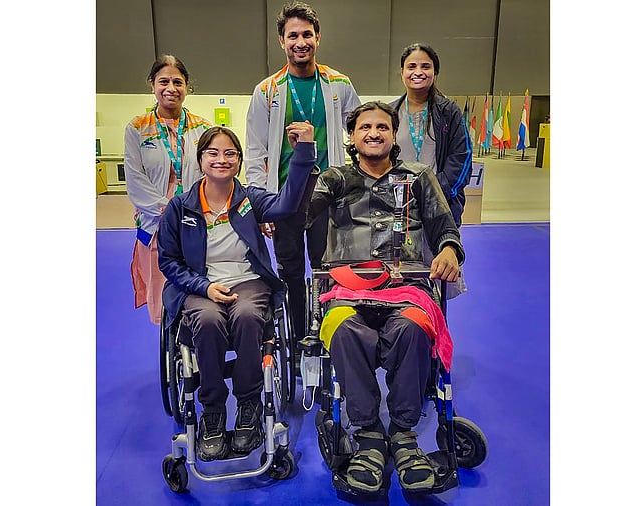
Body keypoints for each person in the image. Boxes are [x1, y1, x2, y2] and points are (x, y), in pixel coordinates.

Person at [306, 101, 464, 493]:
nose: (373, 133)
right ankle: (370, 435)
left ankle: (405, 435)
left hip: (405, 287)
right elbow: (301, 211)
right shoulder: (334, 179)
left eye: (381, 127)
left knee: (412, 330)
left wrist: (448, 250)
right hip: (346, 288)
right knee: (343, 330)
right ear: (353, 136)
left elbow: (445, 226)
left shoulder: (419, 177)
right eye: (364, 127)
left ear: (394, 135)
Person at [156, 124, 318, 462]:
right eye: (213, 152)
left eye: (230, 153)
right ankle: (212, 411)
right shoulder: (179, 208)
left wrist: (303, 150)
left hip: (248, 281)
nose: (221, 159)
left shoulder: (250, 199)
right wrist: (203, 287)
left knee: (247, 316)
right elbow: (169, 262)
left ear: (239, 161)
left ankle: (248, 405)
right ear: (200, 159)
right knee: (209, 319)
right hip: (201, 286)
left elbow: (288, 203)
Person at [245, 1, 361, 341]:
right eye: (292, 35)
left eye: (307, 34)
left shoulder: (339, 84)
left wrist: (356, 186)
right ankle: (297, 339)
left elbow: (359, 135)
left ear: (318, 38)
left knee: (329, 269)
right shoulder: (266, 90)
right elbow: (255, 151)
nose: (300, 41)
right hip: (284, 196)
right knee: (291, 272)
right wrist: (260, 203)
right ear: (281, 41)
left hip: (329, 193)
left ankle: (330, 336)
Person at [124, 55, 211, 325]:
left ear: (187, 87)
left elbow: (211, 173)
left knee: (198, 289)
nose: (171, 88)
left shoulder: (203, 127)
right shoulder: (137, 128)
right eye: (164, 81)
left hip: (196, 220)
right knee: (162, 295)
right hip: (155, 225)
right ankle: (171, 345)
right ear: (152, 85)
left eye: (178, 82)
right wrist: (169, 211)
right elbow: (135, 180)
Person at [390, 42, 472, 298]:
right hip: (398, 208)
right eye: (411, 66)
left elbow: (461, 160)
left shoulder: (449, 112)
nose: (418, 71)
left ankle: (438, 332)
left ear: (435, 73)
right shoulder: (391, 111)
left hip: (439, 207)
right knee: (400, 277)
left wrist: (434, 195)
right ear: (401, 72)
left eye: (425, 66)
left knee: (438, 278)